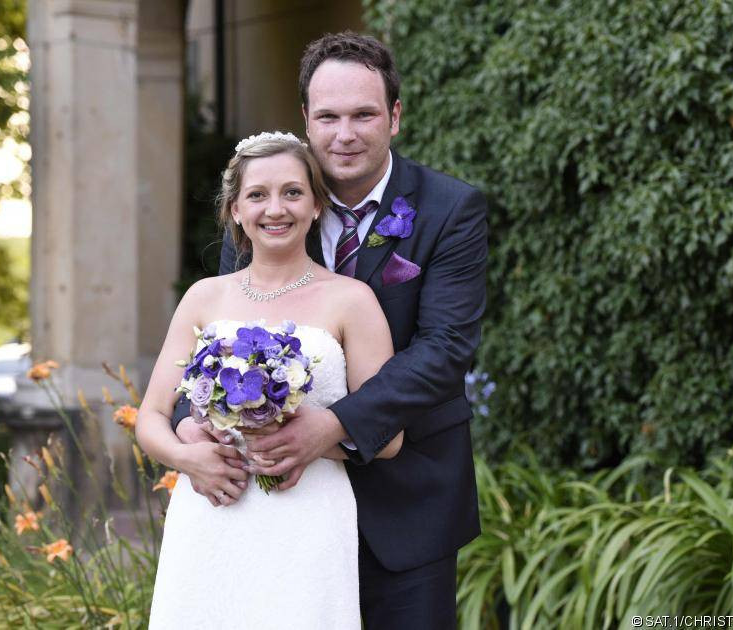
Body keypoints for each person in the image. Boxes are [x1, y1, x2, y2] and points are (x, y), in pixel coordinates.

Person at [171, 32, 488, 629]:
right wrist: (191, 422)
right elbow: (220, 334)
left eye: (364, 114)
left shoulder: (451, 210)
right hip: (276, 512)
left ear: (395, 116)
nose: (344, 134)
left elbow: (446, 350)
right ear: (306, 121)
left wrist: (335, 426)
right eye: (328, 117)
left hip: (406, 502)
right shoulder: (267, 208)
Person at [137, 132, 403, 629]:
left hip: (308, 519)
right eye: (257, 195)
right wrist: (186, 458)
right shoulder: (203, 298)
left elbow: (388, 437)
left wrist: (309, 441)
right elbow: (150, 417)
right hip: (211, 513)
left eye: (292, 192)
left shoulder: (353, 301)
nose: (274, 209)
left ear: (317, 205)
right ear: (235, 209)